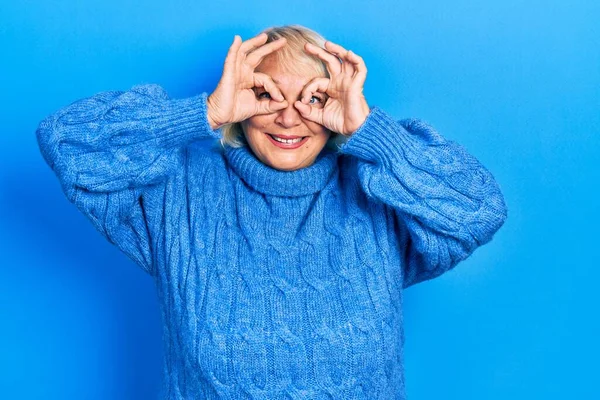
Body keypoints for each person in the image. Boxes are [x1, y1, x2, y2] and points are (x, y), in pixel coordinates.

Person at [36, 24, 507, 399]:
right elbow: (66, 143)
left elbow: (479, 209)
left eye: (313, 99)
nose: (288, 117)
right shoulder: (175, 193)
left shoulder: (379, 196)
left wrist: (370, 131)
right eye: (267, 96)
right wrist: (203, 113)